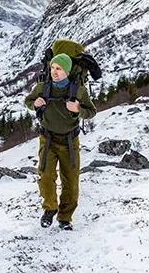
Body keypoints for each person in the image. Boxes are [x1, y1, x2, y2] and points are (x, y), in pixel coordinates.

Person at [24, 53, 96, 230]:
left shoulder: (78, 91)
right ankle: (50, 208)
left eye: (59, 69)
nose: (54, 72)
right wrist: (35, 104)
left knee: (70, 181)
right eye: (53, 68)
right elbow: (28, 101)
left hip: (70, 142)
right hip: (47, 139)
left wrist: (78, 110)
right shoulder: (42, 87)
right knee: (46, 175)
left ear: (68, 71)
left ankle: (65, 218)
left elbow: (91, 111)